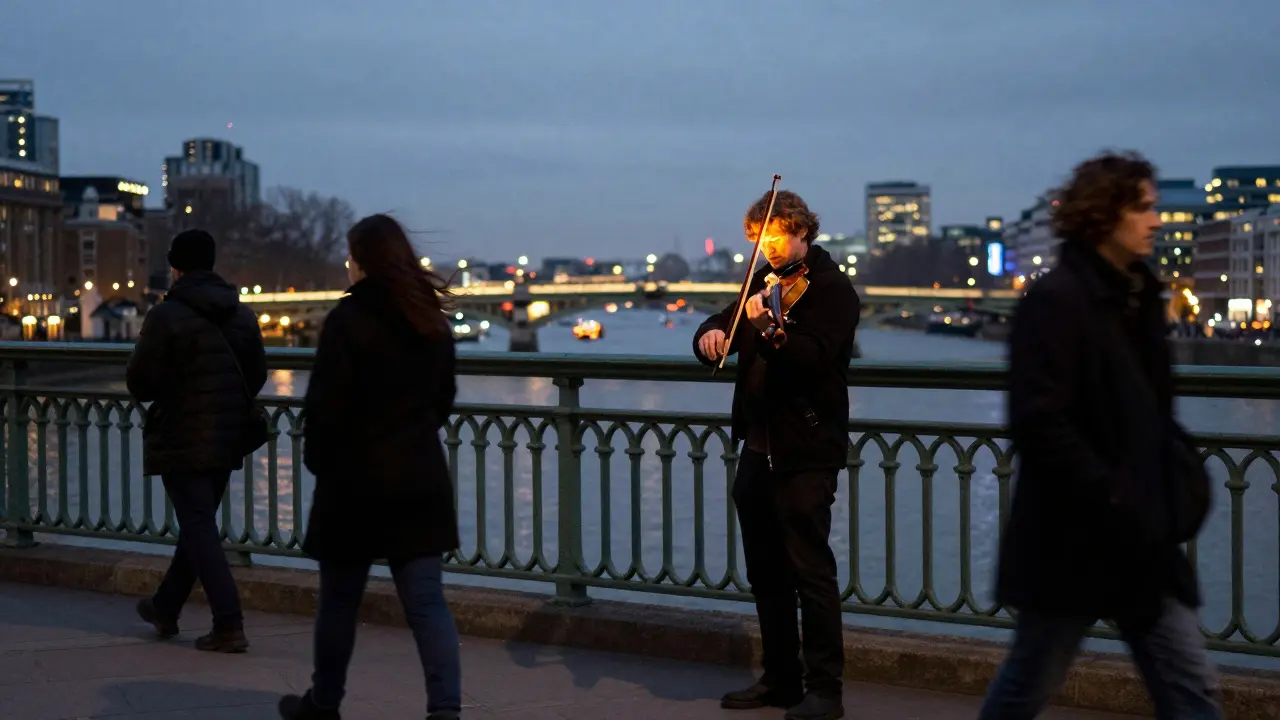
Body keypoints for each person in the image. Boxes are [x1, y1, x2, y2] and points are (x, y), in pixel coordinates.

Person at [978, 151, 1221, 718]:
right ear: (1104, 214)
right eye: (1143, 208)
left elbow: (1150, 413)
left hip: (1136, 539)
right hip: (1077, 536)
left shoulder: (1140, 297)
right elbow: (1039, 423)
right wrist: (1115, 493)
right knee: (1029, 683)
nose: (1155, 221)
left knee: (1191, 689)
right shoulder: (1056, 301)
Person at [278, 214, 463, 720]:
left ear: (363, 262)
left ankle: (324, 704)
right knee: (427, 604)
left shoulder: (347, 320)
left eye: (350, 258)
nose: (347, 267)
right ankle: (445, 711)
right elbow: (443, 399)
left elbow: (323, 408)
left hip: (354, 480)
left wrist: (322, 463)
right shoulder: (430, 319)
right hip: (418, 476)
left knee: (339, 602)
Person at [693, 190, 859, 720]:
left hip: (806, 451)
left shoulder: (832, 290)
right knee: (766, 572)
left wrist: (773, 332)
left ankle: (825, 691)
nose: (770, 248)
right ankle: (782, 679)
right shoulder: (760, 287)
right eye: (761, 240)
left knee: (811, 572)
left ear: (802, 230)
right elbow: (715, 322)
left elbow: (815, 358)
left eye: (777, 237)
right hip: (758, 449)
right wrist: (712, 335)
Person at [127, 228, 268, 653]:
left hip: (182, 433)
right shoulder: (241, 313)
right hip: (227, 435)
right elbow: (257, 374)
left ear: (175, 267)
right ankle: (165, 606)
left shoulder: (165, 316)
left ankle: (229, 622)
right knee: (198, 524)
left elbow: (141, 382)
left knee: (198, 525)